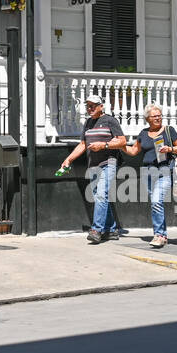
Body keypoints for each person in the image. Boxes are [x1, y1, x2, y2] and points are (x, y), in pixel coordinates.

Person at [60, 94, 126, 243]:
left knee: (101, 195)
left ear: (101, 106)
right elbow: (83, 144)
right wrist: (68, 159)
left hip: (108, 163)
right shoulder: (88, 123)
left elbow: (122, 141)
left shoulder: (110, 120)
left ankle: (96, 230)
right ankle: (112, 229)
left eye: (93, 105)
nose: (90, 108)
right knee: (101, 197)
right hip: (93, 165)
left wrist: (104, 145)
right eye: (88, 106)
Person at [123, 103, 177, 249]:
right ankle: (162, 234)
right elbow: (133, 151)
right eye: (154, 116)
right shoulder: (143, 133)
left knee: (157, 201)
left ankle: (159, 235)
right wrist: (119, 145)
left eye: (159, 115)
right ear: (147, 119)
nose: (158, 118)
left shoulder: (169, 130)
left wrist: (169, 148)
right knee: (156, 204)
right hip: (147, 173)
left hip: (164, 171)